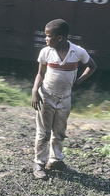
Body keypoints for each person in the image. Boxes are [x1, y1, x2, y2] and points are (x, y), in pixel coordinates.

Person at [31, 19, 97, 179]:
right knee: (43, 132)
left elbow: (92, 66)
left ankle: (56, 161)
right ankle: (39, 163)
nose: (46, 39)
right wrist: (34, 90)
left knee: (59, 132)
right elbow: (40, 73)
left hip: (65, 99)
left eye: (48, 36)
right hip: (46, 97)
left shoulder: (77, 52)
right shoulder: (46, 52)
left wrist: (78, 81)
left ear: (59, 38)